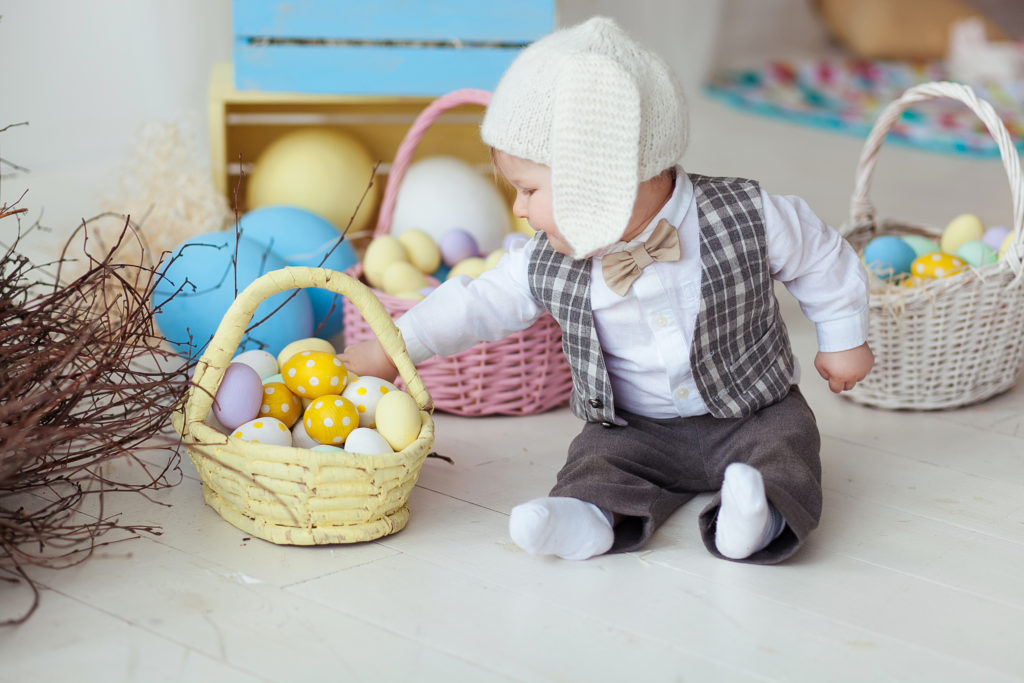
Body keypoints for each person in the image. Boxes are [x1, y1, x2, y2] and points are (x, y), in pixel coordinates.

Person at [340, 16, 873, 564]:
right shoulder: (545, 260)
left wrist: (842, 336)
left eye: (528, 189)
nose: (519, 209)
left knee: (787, 446)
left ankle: (757, 515)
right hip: (635, 428)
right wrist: (392, 347)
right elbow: (474, 304)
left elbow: (821, 255)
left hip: (751, 410)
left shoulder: (747, 214)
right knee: (597, 458)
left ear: (597, 179)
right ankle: (589, 516)